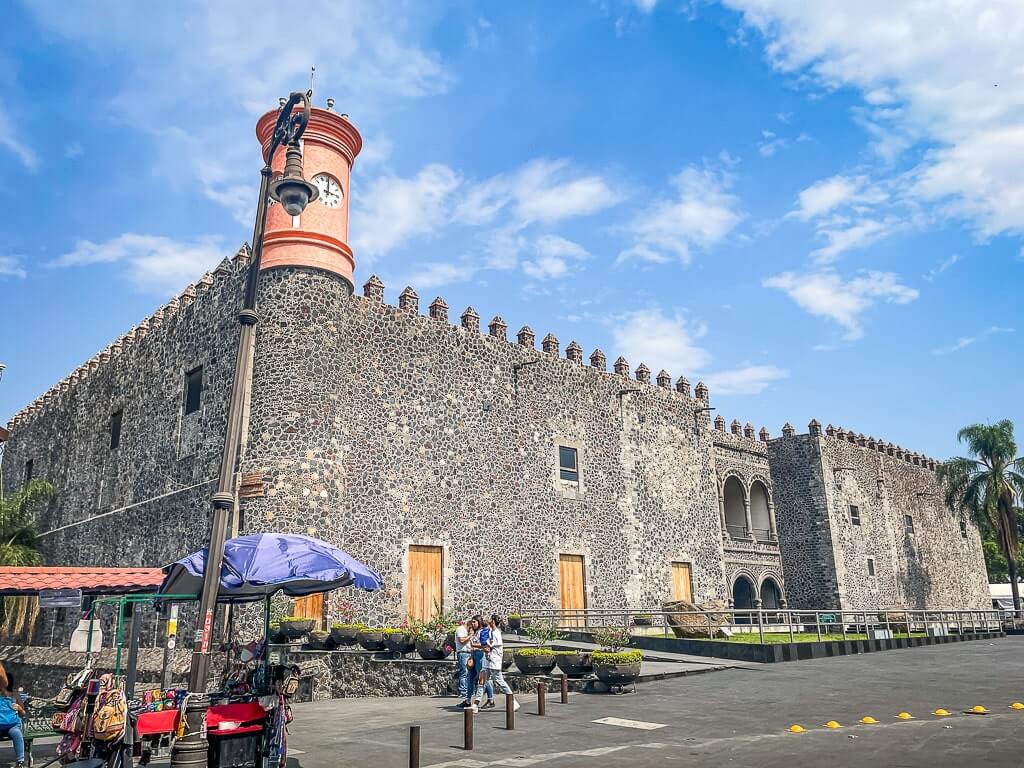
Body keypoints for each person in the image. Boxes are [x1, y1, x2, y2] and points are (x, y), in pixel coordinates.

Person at [471, 615, 518, 712]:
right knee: (482, 682)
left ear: (493, 621)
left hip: (494, 661)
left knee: (500, 681)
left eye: (490, 619)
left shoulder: (496, 634)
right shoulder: (490, 632)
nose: (488, 620)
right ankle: (475, 704)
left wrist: (474, 645)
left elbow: (488, 647)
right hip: (486, 661)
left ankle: (513, 701)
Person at [0, 672, 26, 768]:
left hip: (12, 725)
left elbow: (23, 714)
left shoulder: (14, 695)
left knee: (16, 733)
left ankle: (20, 762)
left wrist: (19, 708)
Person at [469, 616, 493, 709]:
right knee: (483, 678)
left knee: (484, 678)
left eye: (474, 622)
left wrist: (473, 645)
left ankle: (487, 699)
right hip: (475, 654)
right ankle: (488, 699)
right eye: (472, 622)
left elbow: (484, 644)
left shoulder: (483, 631)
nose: (472, 624)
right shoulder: (475, 632)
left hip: (480, 655)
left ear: (479, 622)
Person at [454, 618, 474, 708]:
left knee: (469, 673)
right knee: (464, 672)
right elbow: (462, 641)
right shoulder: (460, 629)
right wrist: (470, 635)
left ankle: (467, 691)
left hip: (469, 653)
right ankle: (463, 692)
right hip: (463, 653)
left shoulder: (467, 631)